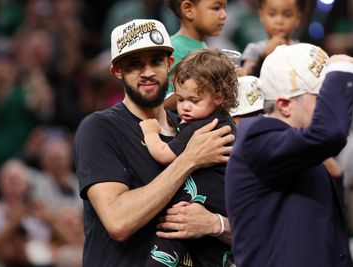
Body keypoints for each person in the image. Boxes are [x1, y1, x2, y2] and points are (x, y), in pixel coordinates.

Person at [74, 19, 235, 267]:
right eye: (135, 64)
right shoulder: (99, 129)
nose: (147, 71)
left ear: (169, 65)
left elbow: (256, 228)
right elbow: (118, 221)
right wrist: (189, 160)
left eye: (156, 61)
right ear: (117, 70)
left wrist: (216, 224)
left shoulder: (202, 127)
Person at [225, 43, 353, 266]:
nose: (327, 108)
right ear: (284, 105)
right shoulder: (257, 139)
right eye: (321, 98)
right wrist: (342, 69)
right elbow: (329, 132)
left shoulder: (299, 149)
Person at [139, 48, 237, 266]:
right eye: (180, 98)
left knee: (168, 237)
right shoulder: (227, 122)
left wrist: (150, 132)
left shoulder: (202, 126)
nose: (184, 107)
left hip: (198, 205)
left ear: (219, 96)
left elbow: (164, 155)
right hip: (223, 206)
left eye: (194, 100)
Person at [164, 0, 227, 109]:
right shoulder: (175, 48)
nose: (224, 15)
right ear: (188, 9)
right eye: (216, 8)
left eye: (224, 8)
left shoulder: (203, 47)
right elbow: (163, 104)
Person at [241, 0, 305, 76]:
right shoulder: (254, 50)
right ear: (261, 15)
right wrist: (264, 56)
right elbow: (246, 80)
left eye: (287, 15)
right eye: (272, 14)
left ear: (298, 19)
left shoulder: (302, 51)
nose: (279, 21)